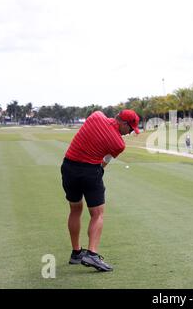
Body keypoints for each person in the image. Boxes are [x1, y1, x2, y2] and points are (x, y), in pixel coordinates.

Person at [61, 109, 140, 272]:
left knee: (75, 209)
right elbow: (104, 162)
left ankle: (76, 253)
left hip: (68, 167)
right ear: (123, 123)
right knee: (97, 214)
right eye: (131, 129)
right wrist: (98, 171)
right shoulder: (119, 144)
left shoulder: (96, 115)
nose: (130, 132)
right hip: (90, 171)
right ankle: (92, 254)